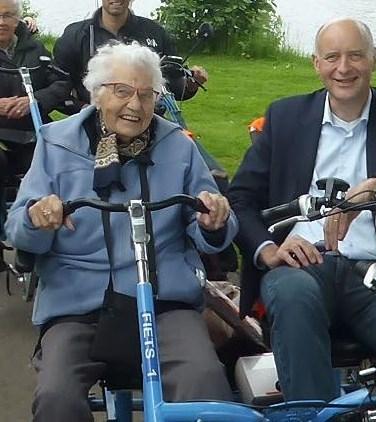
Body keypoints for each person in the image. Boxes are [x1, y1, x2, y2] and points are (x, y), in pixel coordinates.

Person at [6, 41, 236, 421]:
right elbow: (18, 229)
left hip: (164, 302)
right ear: (97, 94)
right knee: (56, 397)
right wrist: (36, 218)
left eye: (147, 95)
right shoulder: (55, 142)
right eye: (123, 91)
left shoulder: (177, 145)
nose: (136, 105)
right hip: (78, 305)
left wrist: (214, 222)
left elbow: (212, 229)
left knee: (205, 382)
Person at [228, 18, 376, 402]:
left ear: (374, 59)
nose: (344, 68)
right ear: (316, 64)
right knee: (292, 300)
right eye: (332, 57)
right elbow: (240, 199)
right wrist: (269, 250)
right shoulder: (285, 117)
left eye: (355, 55)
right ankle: (313, 411)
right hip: (302, 267)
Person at [0, 0, 69, 263]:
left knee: (50, 164)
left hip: (30, 132)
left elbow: (61, 83)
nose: (2, 22)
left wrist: (35, 101)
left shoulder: (35, 49)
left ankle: (34, 240)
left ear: (18, 19)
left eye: (7, 16)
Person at [52, 0, 208, 114]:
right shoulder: (75, 35)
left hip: (145, 119)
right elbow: (56, 86)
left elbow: (171, 83)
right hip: (92, 120)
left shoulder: (155, 32)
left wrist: (190, 85)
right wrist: (85, 110)